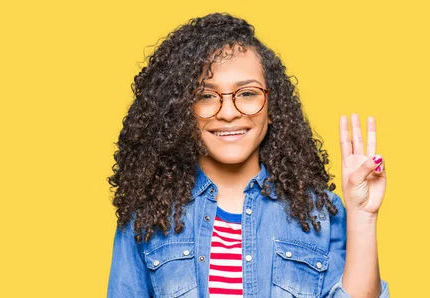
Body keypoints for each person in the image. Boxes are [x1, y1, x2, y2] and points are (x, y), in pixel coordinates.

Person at [106, 12, 390, 298]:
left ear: (273, 106)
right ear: (182, 111)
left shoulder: (317, 212)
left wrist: (363, 216)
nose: (229, 113)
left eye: (247, 93)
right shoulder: (147, 215)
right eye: (205, 96)